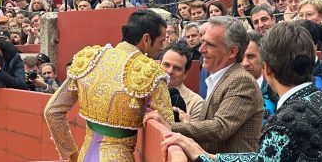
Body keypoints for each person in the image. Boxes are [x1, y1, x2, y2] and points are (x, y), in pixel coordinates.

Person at [161, 22, 322, 161]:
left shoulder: (282, 125)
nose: (202, 50)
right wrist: (210, 156)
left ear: (266, 69)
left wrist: (201, 156)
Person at [44, 10, 174, 162]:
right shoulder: (151, 71)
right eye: (161, 41)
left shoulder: (90, 59)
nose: (162, 47)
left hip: (85, 155)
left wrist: (72, 155)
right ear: (146, 39)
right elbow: (168, 124)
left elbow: (52, 111)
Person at [144, 16, 264, 154]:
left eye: (210, 44)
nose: (201, 49)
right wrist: (187, 124)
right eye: (202, 42)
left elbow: (220, 127)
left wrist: (171, 126)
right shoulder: (223, 78)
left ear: (232, 52)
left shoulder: (241, 81)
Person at [161, 42, 204, 121]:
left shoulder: (196, 103)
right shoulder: (145, 92)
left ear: (185, 74)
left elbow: (191, 132)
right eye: (166, 65)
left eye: (177, 68)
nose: (170, 71)